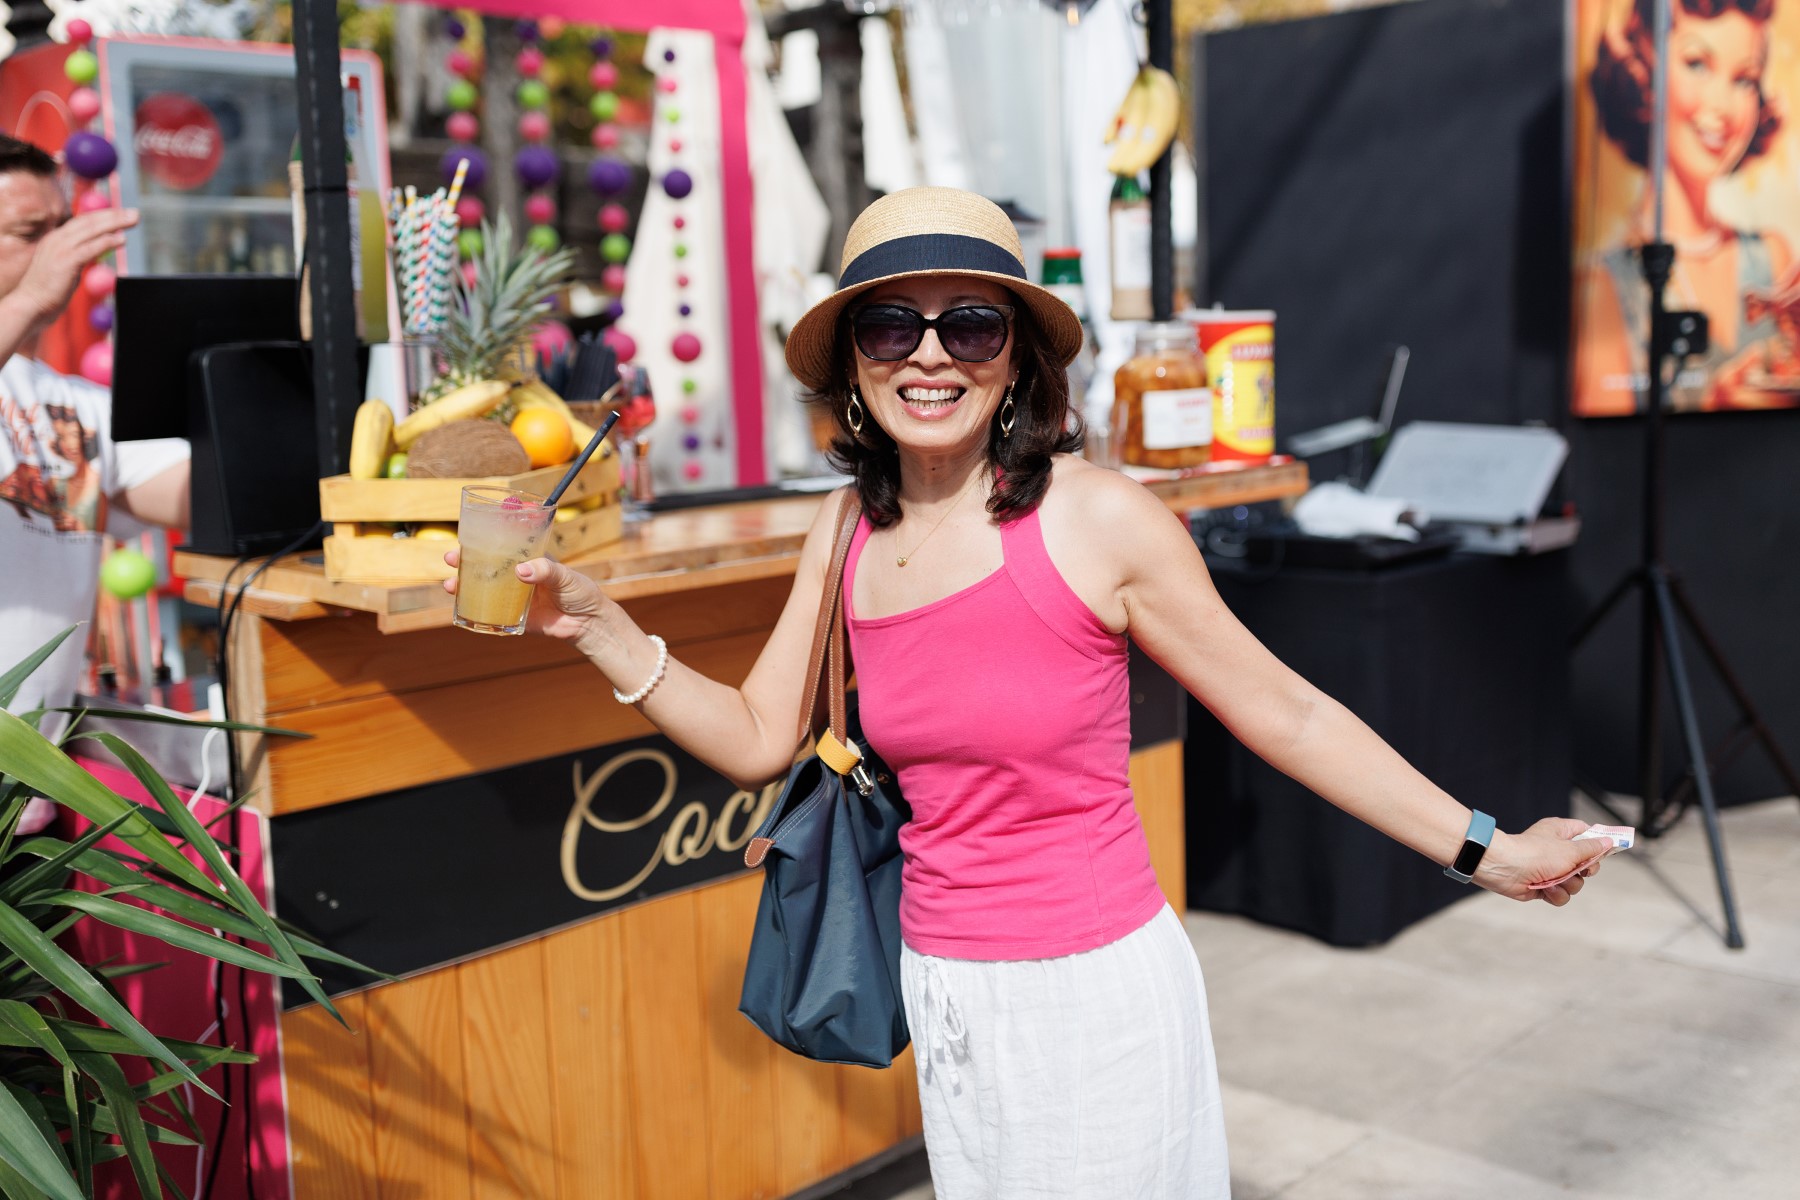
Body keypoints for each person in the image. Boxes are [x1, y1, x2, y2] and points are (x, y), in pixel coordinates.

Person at [447, 188, 1611, 1198]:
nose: (930, 356)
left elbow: (1289, 711)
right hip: (945, 993)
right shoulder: (845, 528)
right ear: (852, 360)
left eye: (971, 324)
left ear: (1017, 360)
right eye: (892, 325)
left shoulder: (1097, 519)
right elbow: (758, 736)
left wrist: (1486, 849)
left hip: (1091, 999)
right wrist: (599, 625)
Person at [0, 133, 189, 720]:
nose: (61, 251)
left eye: (64, 228)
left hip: (34, 764)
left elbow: (201, 495)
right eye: (31, 233)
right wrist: (28, 299)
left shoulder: (75, 400)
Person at [1576, 0, 1797, 413]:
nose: (1722, 106)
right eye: (1697, 64)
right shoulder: (1604, 288)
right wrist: (1717, 402)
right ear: (1644, 72)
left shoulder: (1773, 258)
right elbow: (1606, 441)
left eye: (1744, 80)